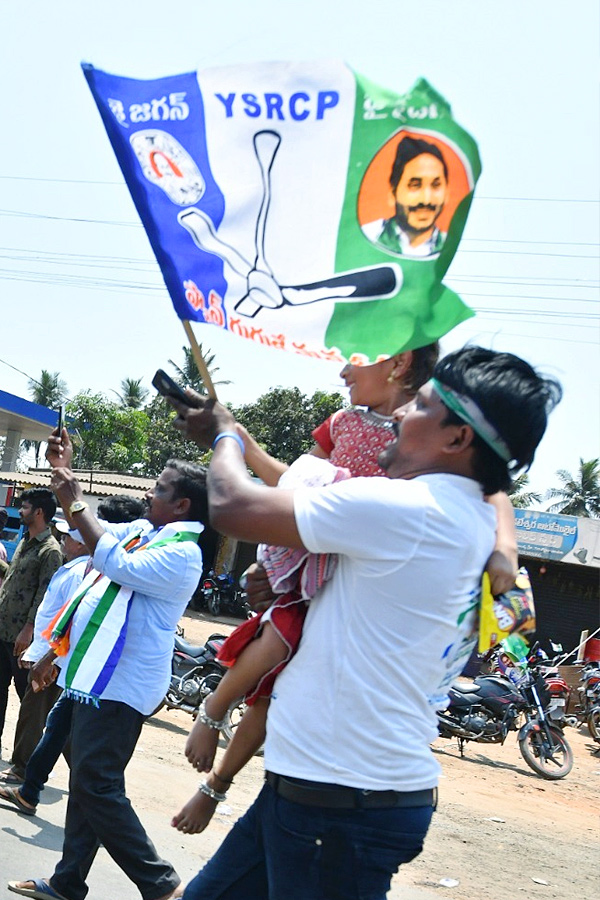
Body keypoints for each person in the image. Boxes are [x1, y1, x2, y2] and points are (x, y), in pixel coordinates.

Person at [167, 345, 561, 900]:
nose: (399, 414)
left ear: (457, 439)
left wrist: (224, 435)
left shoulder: (409, 510)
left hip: (339, 808)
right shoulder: (473, 518)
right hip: (323, 795)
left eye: (420, 405)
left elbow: (232, 506)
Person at [8, 457, 207, 900]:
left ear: (182, 505)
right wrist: (64, 479)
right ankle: (68, 882)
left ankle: (161, 885)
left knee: (95, 784)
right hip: (92, 678)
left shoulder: (181, 553)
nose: (147, 494)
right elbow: (90, 528)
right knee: (87, 782)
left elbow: (110, 559)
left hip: (121, 688)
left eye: (158, 489)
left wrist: (72, 491)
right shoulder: (144, 533)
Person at [0, 494, 146, 816]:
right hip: (72, 668)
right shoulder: (91, 568)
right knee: (58, 728)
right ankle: (32, 789)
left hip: (99, 679)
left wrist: (46, 657)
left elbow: (92, 626)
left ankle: (100, 802)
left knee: (75, 739)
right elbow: (70, 620)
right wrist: (47, 657)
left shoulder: (124, 573)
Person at [0, 489, 62, 754]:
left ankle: (25, 761)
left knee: (30, 701)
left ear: (38, 512)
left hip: (22, 640)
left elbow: (44, 595)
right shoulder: (26, 542)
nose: (20, 511)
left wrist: (28, 630)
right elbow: (15, 581)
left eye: (24, 507)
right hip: (4, 631)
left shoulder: (50, 551)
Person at [362, 136, 449, 258]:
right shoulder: (369, 237)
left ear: (446, 194)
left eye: (436, 185)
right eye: (415, 185)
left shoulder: (451, 246)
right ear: (393, 193)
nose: (426, 200)